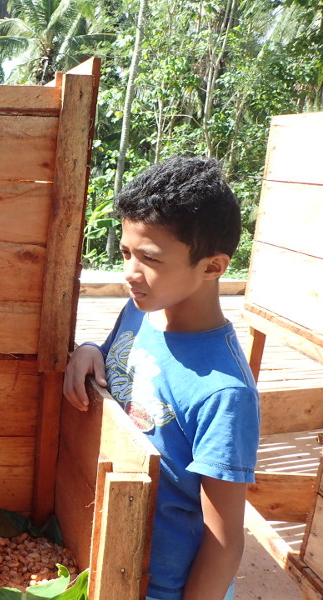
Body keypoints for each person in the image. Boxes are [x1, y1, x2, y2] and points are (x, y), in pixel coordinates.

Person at [63, 156, 260, 600]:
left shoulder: (225, 393)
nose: (129, 272)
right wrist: (90, 350)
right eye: (127, 253)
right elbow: (116, 360)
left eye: (149, 258)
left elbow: (225, 541)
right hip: (106, 557)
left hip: (160, 588)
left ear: (212, 267)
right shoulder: (140, 311)